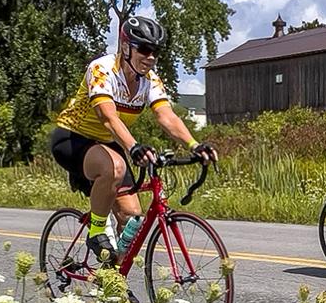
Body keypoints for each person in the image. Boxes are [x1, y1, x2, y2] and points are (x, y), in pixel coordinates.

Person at [49, 14, 215, 263]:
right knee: (115, 166)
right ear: (126, 47)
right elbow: (108, 117)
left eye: (155, 52)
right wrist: (134, 147)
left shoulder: (150, 81)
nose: (150, 57)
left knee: (132, 220)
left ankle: (108, 276)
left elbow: (166, 116)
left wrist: (194, 144)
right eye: (145, 49)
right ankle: (95, 232)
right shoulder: (102, 69)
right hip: (72, 138)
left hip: (107, 143)